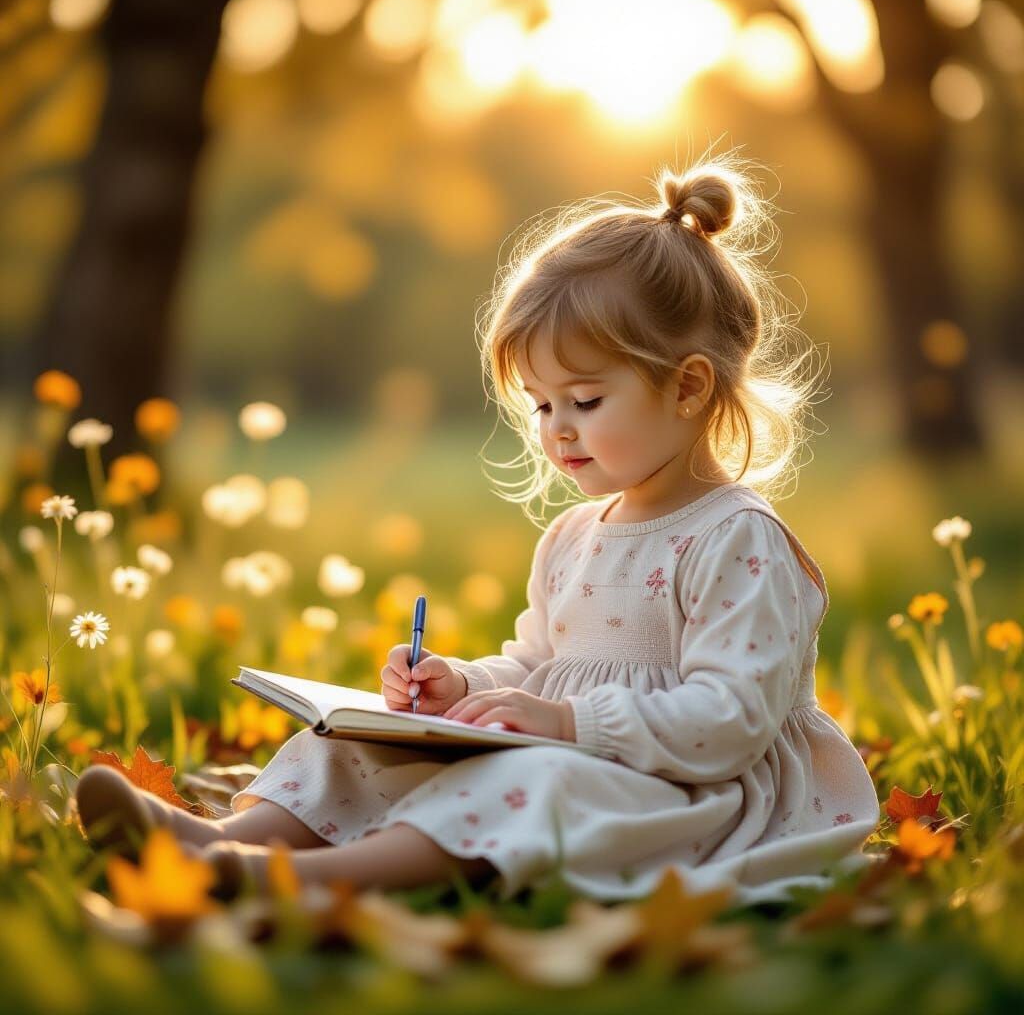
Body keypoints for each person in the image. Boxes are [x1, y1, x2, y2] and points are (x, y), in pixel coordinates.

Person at [76, 156, 880, 905]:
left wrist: (568, 727)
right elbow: (538, 666)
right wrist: (462, 690)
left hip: (693, 794)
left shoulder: (736, 539)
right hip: (582, 755)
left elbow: (732, 720)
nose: (557, 430)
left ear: (688, 387)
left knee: (533, 786)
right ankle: (214, 839)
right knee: (353, 743)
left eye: (586, 401)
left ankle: (288, 880)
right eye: (541, 403)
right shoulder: (573, 536)